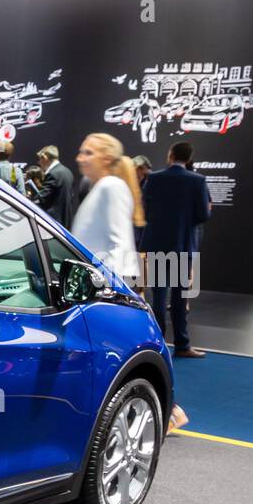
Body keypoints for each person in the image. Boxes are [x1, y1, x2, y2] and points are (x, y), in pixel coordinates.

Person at [140, 141, 210, 359]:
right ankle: (182, 345)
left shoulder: (154, 178)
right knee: (180, 298)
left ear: (170, 155)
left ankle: (158, 343)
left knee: (159, 296)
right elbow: (203, 216)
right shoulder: (197, 181)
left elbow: (145, 208)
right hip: (181, 246)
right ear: (189, 158)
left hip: (158, 244)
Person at [71, 133, 143, 287]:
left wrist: (109, 288)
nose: (79, 158)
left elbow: (119, 244)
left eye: (88, 153)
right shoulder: (100, 186)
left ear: (106, 159)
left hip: (104, 285)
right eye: (81, 152)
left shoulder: (111, 186)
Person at [35, 144, 74, 227]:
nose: (39, 163)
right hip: (65, 220)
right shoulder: (67, 171)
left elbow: (42, 199)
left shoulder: (53, 174)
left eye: (39, 160)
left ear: (44, 158)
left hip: (54, 223)